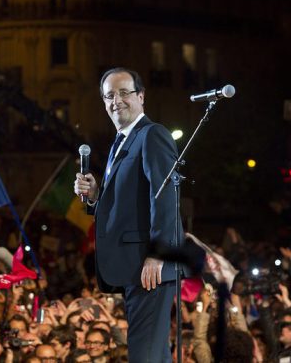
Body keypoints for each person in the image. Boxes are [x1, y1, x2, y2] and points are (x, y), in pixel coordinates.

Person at [74, 67, 180, 361]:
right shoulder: (120, 142)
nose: (115, 100)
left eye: (124, 92)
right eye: (109, 95)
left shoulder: (151, 135)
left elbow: (166, 196)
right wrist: (95, 195)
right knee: (151, 355)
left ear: (141, 97)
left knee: (144, 355)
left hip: (150, 268)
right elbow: (124, 206)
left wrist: (158, 254)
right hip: (135, 269)